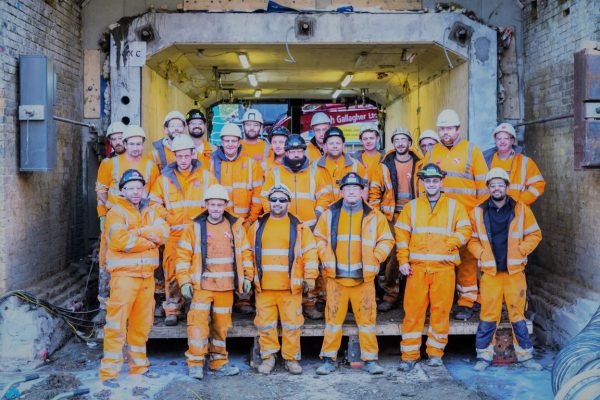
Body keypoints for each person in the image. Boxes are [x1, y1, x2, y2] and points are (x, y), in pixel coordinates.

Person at [314, 172, 394, 375]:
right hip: (336, 279)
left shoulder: (375, 216)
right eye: (347, 188)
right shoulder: (329, 214)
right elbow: (319, 239)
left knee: (367, 321)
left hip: (363, 279)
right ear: (341, 191)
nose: (351, 191)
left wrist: (376, 257)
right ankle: (329, 359)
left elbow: (387, 240)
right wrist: (326, 258)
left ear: (362, 191)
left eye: (356, 188)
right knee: (332, 321)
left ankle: (370, 359)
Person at [395, 164, 471, 371]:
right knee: (412, 313)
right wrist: (403, 261)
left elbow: (465, 229)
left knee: (440, 312)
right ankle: (409, 355)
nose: (431, 184)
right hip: (417, 269)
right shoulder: (411, 207)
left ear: (441, 181)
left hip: (444, 269)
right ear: (422, 182)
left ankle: (435, 354)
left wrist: (451, 243)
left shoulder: (455, 207)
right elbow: (401, 235)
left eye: (435, 180)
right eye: (427, 181)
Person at [175, 184, 254, 379]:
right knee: (197, 325)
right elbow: (182, 256)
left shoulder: (235, 227)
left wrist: (248, 276)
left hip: (226, 287)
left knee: (221, 326)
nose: (216, 208)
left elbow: (245, 253)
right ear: (206, 204)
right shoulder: (194, 227)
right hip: (201, 287)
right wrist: (184, 281)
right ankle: (195, 363)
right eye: (212, 204)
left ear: (226, 205)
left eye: (220, 204)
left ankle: (219, 361)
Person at [99, 169, 169, 386]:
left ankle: (138, 367)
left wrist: (137, 233)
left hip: (146, 278)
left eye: (139, 187)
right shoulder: (116, 212)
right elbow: (121, 242)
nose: (136, 191)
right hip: (123, 278)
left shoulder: (151, 210)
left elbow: (163, 233)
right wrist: (148, 239)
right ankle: (109, 373)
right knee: (116, 325)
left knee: (141, 325)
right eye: (130, 188)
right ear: (122, 190)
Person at [469, 168, 543, 372]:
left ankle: (525, 356)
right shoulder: (479, 211)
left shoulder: (521, 209)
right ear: (488, 188)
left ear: (507, 187)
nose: (496, 188)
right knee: (488, 315)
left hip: (514, 272)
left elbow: (535, 234)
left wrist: (521, 251)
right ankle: (483, 356)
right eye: (492, 185)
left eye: (500, 184)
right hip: (491, 273)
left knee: (517, 314)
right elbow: (472, 239)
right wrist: (481, 254)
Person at [261, 133, 335, 320]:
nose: (295, 154)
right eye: (292, 151)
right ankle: (289, 302)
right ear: (285, 152)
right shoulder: (275, 173)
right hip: (284, 227)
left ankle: (310, 302)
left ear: (304, 152)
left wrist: (317, 214)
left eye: (299, 151)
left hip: (310, 227)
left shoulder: (315, 171)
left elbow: (325, 196)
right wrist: (275, 215)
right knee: (287, 264)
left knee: (312, 264)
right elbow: (264, 196)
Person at [425, 109, 489, 320]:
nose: (446, 132)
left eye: (450, 128)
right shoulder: (433, 152)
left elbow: (483, 187)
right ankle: (442, 300)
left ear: (458, 129)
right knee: (439, 259)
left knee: (467, 260)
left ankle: (466, 301)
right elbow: (425, 183)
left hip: (466, 217)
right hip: (440, 218)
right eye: (442, 128)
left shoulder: (472, 150)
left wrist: (477, 217)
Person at [249, 184, 319, 375]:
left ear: (288, 203)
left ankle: (291, 359)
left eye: (282, 200)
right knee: (265, 325)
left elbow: (310, 253)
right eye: (274, 199)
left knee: (292, 325)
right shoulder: (258, 225)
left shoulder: (300, 227)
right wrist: (248, 276)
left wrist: (310, 277)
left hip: (290, 288)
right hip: (264, 287)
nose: (277, 203)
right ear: (269, 202)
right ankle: (268, 358)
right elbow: (246, 252)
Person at [149, 134, 217, 326]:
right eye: (180, 156)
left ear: (193, 154)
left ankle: (198, 308)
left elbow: (216, 201)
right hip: (174, 235)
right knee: (172, 272)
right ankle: (172, 309)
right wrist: (168, 218)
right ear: (174, 156)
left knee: (200, 272)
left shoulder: (205, 177)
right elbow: (153, 203)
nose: (184, 160)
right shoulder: (164, 179)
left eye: (187, 156)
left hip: (199, 235)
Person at [95, 125, 159, 322]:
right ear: (124, 144)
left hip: (141, 220)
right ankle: (104, 305)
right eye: (131, 143)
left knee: (143, 260)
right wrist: (103, 215)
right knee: (107, 261)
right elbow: (101, 191)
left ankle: (142, 304)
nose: (135, 148)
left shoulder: (150, 166)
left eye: (139, 144)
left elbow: (155, 195)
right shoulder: (109, 164)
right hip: (116, 220)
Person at [369, 127, 421, 312]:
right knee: (391, 256)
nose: (400, 143)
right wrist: (376, 215)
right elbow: (374, 191)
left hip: (415, 217)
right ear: (393, 143)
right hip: (391, 217)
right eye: (397, 140)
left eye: (403, 139)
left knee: (414, 255)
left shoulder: (419, 165)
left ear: (409, 143)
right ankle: (390, 295)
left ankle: (410, 297)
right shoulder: (384, 165)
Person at [482, 123, 545, 205]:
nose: (502, 141)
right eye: (499, 138)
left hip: (517, 210)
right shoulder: (486, 161)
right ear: (495, 141)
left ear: (512, 140)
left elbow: (538, 184)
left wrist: (520, 201)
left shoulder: (525, 162)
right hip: (492, 211)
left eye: (506, 138)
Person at [316, 127, 368, 200]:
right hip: (323, 210)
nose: (335, 146)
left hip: (348, 210)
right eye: (331, 143)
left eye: (338, 143)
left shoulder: (356, 165)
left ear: (343, 145)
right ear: (325, 146)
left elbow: (364, 190)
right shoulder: (314, 167)